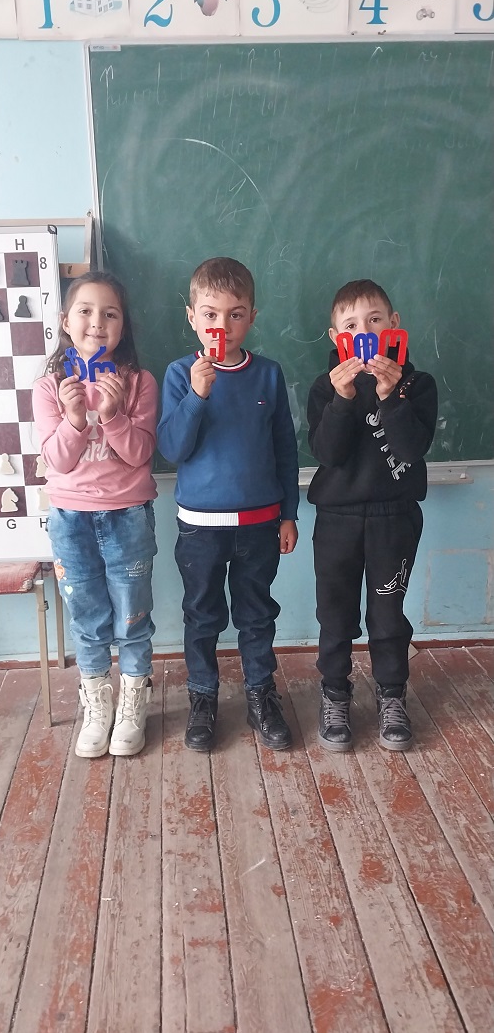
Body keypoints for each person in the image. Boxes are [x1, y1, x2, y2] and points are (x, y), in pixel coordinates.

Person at [158, 256, 299, 752]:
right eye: (211, 314)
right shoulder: (180, 374)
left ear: (252, 317)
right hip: (200, 527)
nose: (223, 325)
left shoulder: (268, 375)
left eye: (235, 314)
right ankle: (203, 696)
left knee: (257, 614)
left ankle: (261, 693)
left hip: (260, 522)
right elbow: (172, 448)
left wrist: (289, 513)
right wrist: (197, 395)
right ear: (192, 317)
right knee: (202, 615)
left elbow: (285, 449)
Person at [307, 279, 438, 752]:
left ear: (394, 325)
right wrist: (343, 399)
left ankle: (391, 694)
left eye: (375, 320)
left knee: (388, 613)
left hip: (394, 517)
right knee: (335, 612)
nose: (363, 332)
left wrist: (389, 394)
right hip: (337, 518)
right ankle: (335, 693)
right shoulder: (326, 388)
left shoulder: (417, 385)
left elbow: (412, 448)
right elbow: (327, 453)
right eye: (350, 326)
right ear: (336, 337)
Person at [32, 270, 158, 759]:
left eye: (110, 313)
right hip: (70, 519)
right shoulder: (50, 387)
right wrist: (75, 418)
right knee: (86, 617)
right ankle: (97, 704)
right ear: (66, 321)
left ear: (123, 326)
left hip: (127, 514)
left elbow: (140, 453)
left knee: (132, 615)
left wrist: (111, 414)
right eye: (85, 311)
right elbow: (58, 460)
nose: (97, 322)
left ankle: (133, 702)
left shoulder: (139, 382)